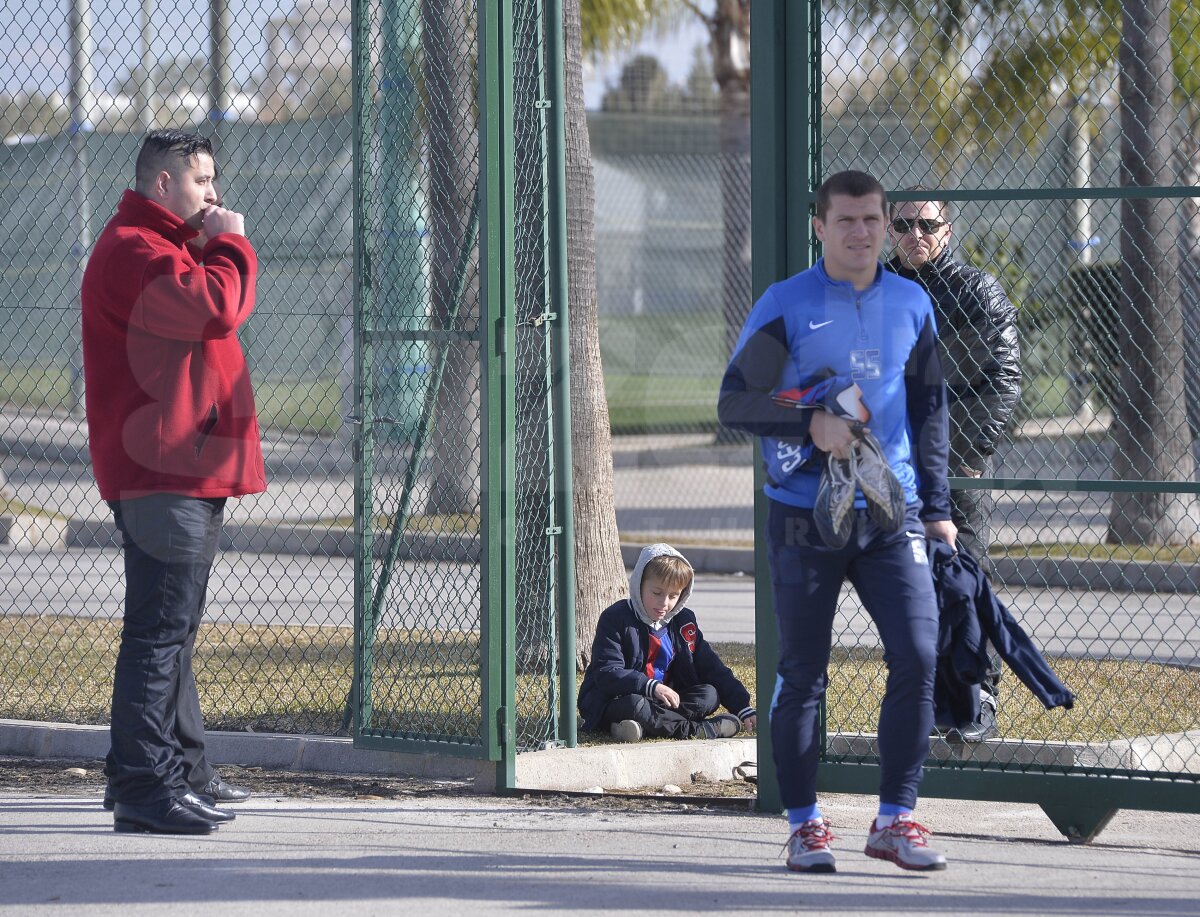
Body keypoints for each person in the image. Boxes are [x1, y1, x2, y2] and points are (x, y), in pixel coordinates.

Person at [718, 170, 956, 873]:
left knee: (918, 655)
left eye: (873, 220)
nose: (861, 232)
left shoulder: (912, 302)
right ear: (819, 227)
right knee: (803, 673)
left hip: (893, 515)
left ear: (886, 226)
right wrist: (809, 422)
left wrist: (937, 510)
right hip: (804, 519)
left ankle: (895, 818)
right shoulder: (786, 303)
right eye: (846, 221)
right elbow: (736, 401)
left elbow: (931, 410)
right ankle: (803, 822)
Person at [82, 129, 266, 835]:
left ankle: (175, 768)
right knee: (159, 633)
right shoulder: (134, 250)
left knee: (172, 631)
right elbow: (217, 305)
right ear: (162, 184)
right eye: (203, 182)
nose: (216, 196)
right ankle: (141, 785)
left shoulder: (160, 246)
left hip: (187, 469)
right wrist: (232, 243)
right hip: (164, 474)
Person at [886, 193, 1022, 742]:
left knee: (965, 571)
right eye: (903, 224)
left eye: (926, 224)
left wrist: (952, 451)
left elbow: (1004, 379)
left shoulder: (977, 290)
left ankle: (977, 694)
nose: (915, 233)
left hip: (955, 462)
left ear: (946, 230)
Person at [577, 543, 757, 742]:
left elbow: (712, 667)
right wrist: (649, 686)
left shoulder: (684, 621)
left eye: (673, 596)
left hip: (666, 701)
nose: (664, 603)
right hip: (619, 699)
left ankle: (642, 727)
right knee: (636, 705)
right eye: (657, 593)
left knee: (709, 694)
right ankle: (694, 730)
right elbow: (607, 672)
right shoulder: (615, 618)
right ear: (639, 585)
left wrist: (742, 707)